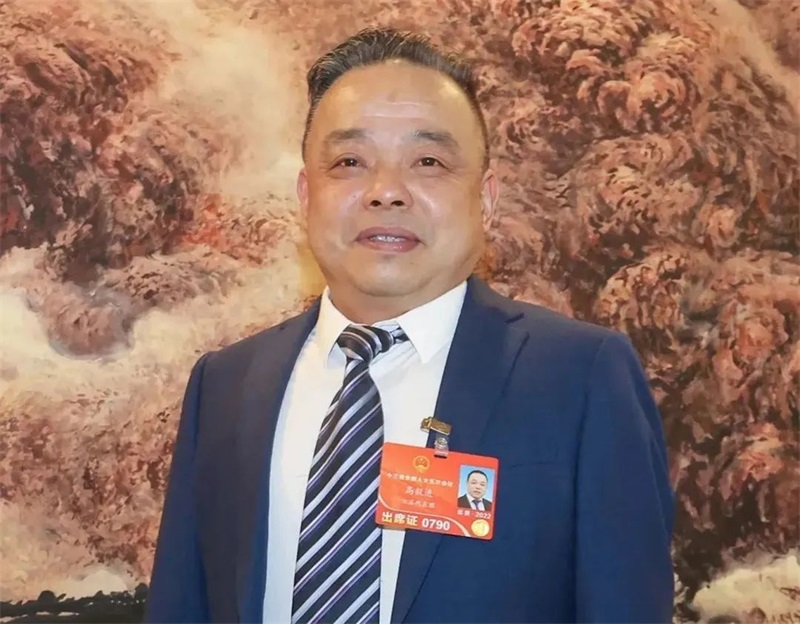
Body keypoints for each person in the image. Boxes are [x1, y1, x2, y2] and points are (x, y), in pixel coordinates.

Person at [144, 27, 675, 624]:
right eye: (349, 162)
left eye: (428, 162)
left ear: (486, 200)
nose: (386, 192)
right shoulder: (225, 384)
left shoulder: (581, 378)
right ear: (306, 195)